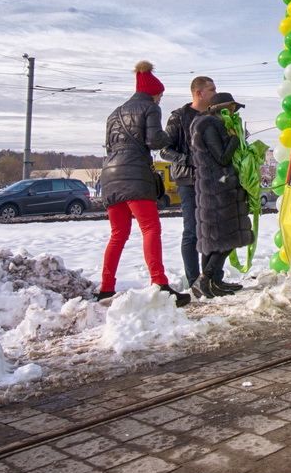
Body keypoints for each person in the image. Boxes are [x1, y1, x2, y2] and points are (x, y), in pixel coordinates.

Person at [98, 62, 189, 306]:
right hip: (134, 174)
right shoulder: (150, 107)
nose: (160, 99)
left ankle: (106, 287)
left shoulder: (114, 113)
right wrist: (172, 137)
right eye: (160, 95)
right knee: (150, 228)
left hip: (109, 174)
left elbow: (109, 146)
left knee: (118, 233)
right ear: (154, 92)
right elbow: (154, 140)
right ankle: (159, 283)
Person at [160, 75, 228, 293]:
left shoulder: (216, 115)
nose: (216, 93)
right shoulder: (179, 117)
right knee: (192, 232)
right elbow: (164, 150)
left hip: (214, 180)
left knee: (215, 232)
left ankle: (213, 280)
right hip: (189, 181)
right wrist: (187, 159)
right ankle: (193, 282)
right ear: (199, 93)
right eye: (212, 89)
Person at [190, 92, 255, 299]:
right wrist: (235, 139)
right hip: (219, 189)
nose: (234, 112)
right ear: (223, 108)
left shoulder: (204, 123)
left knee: (213, 238)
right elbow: (222, 157)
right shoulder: (210, 125)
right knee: (228, 237)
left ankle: (213, 282)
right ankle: (205, 279)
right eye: (232, 108)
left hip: (212, 187)